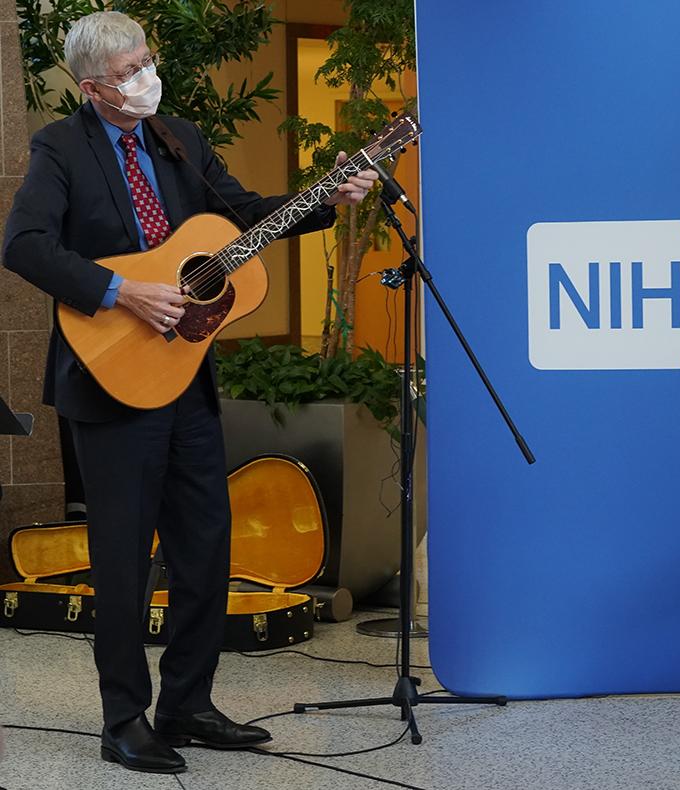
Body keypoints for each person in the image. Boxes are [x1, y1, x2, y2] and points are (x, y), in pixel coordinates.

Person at [2, 11, 378, 774]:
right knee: (121, 559)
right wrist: (119, 291)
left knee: (206, 546)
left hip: (185, 381)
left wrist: (326, 199)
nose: (147, 77)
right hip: (110, 383)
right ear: (93, 87)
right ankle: (124, 719)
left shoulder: (178, 138)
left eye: (148, 61)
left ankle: (189, 703)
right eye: (130, 70)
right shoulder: (61, 148)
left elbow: (239, 221)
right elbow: (24, 244)